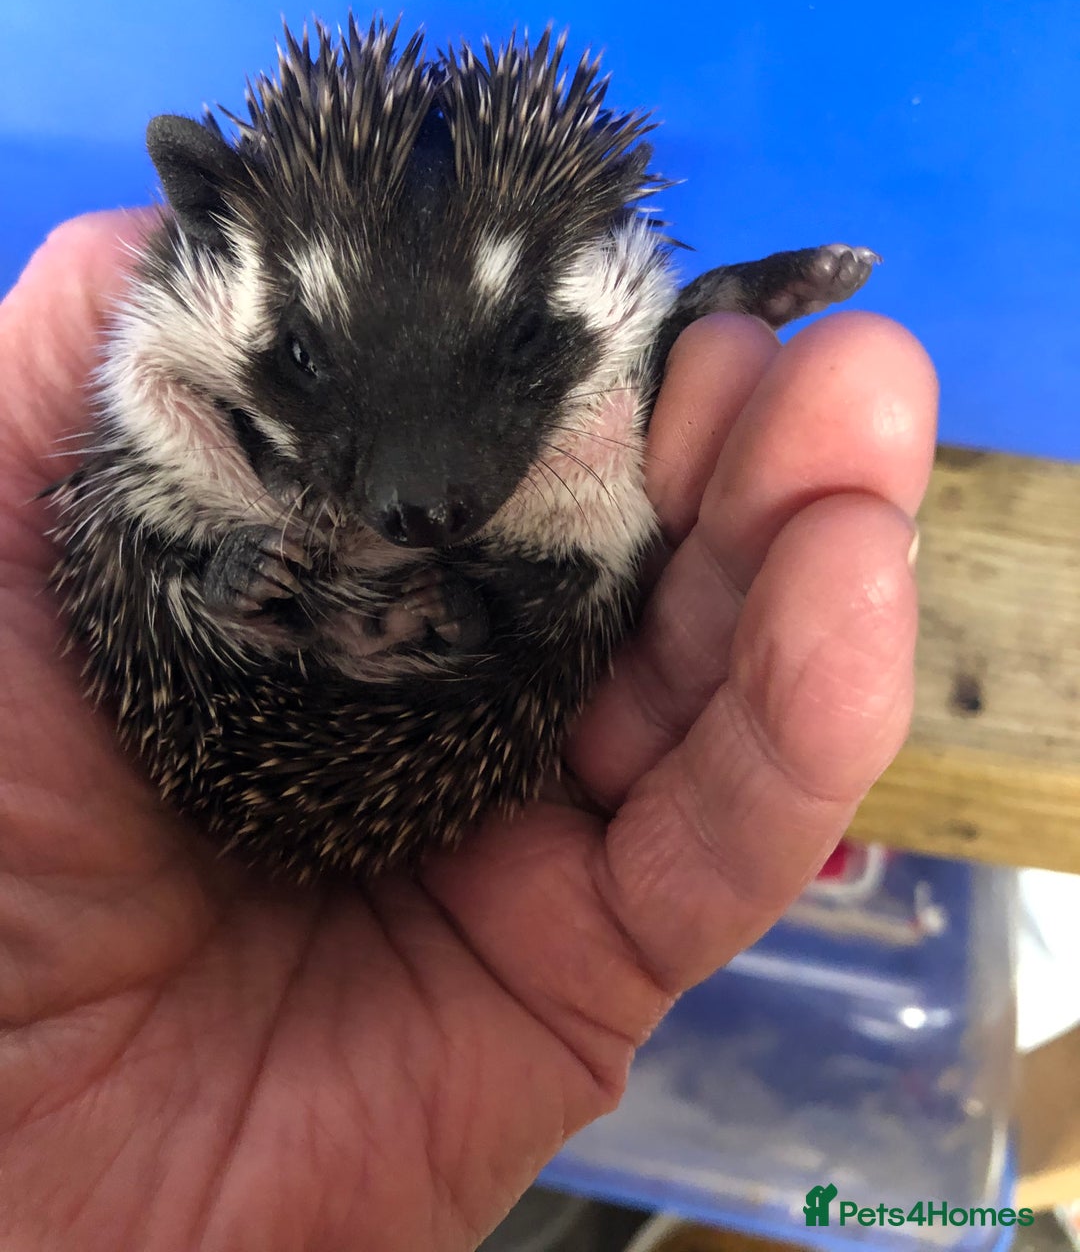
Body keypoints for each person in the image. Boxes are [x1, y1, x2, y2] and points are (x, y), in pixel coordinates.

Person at [0, 212, 937, 1251]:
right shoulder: (197, 326)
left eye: (521, 347)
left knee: (593, 537)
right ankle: (348, 614)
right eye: (309, 354)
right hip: (255, 669)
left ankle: (405, 621)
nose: (411, 498)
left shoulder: (580, 312)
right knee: (160, 539)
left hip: (432, 664)